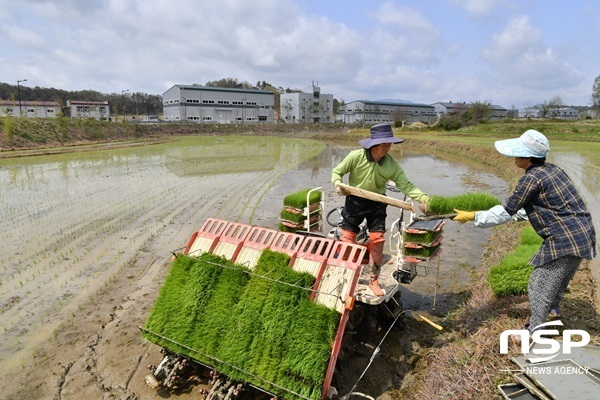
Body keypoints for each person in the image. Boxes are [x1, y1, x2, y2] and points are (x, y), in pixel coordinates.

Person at [453, 129, 596, 332]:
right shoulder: (552, 170)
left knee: (538, 284)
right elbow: (544, 207)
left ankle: (536, 329)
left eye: (517, 153)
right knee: (557, 280)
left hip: (564, 238)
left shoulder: (531, 178)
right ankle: (554, 310)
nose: (513, 157)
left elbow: (506, 211)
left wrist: (473, 216)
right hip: (582, 233)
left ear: (527, 156)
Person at [331, 123, 429, 296]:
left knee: (377, 241)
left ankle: (373, 281)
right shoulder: (356, 157)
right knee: (347, 239)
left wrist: (423, 198)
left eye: (389, 144)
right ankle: (345, 274)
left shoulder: (391, 164)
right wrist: (338, 184)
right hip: (354, 200)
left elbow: (406, 185)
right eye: (384, 144)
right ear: (373, 145)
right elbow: (337, 172)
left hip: (377, 203)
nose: (387, 147)